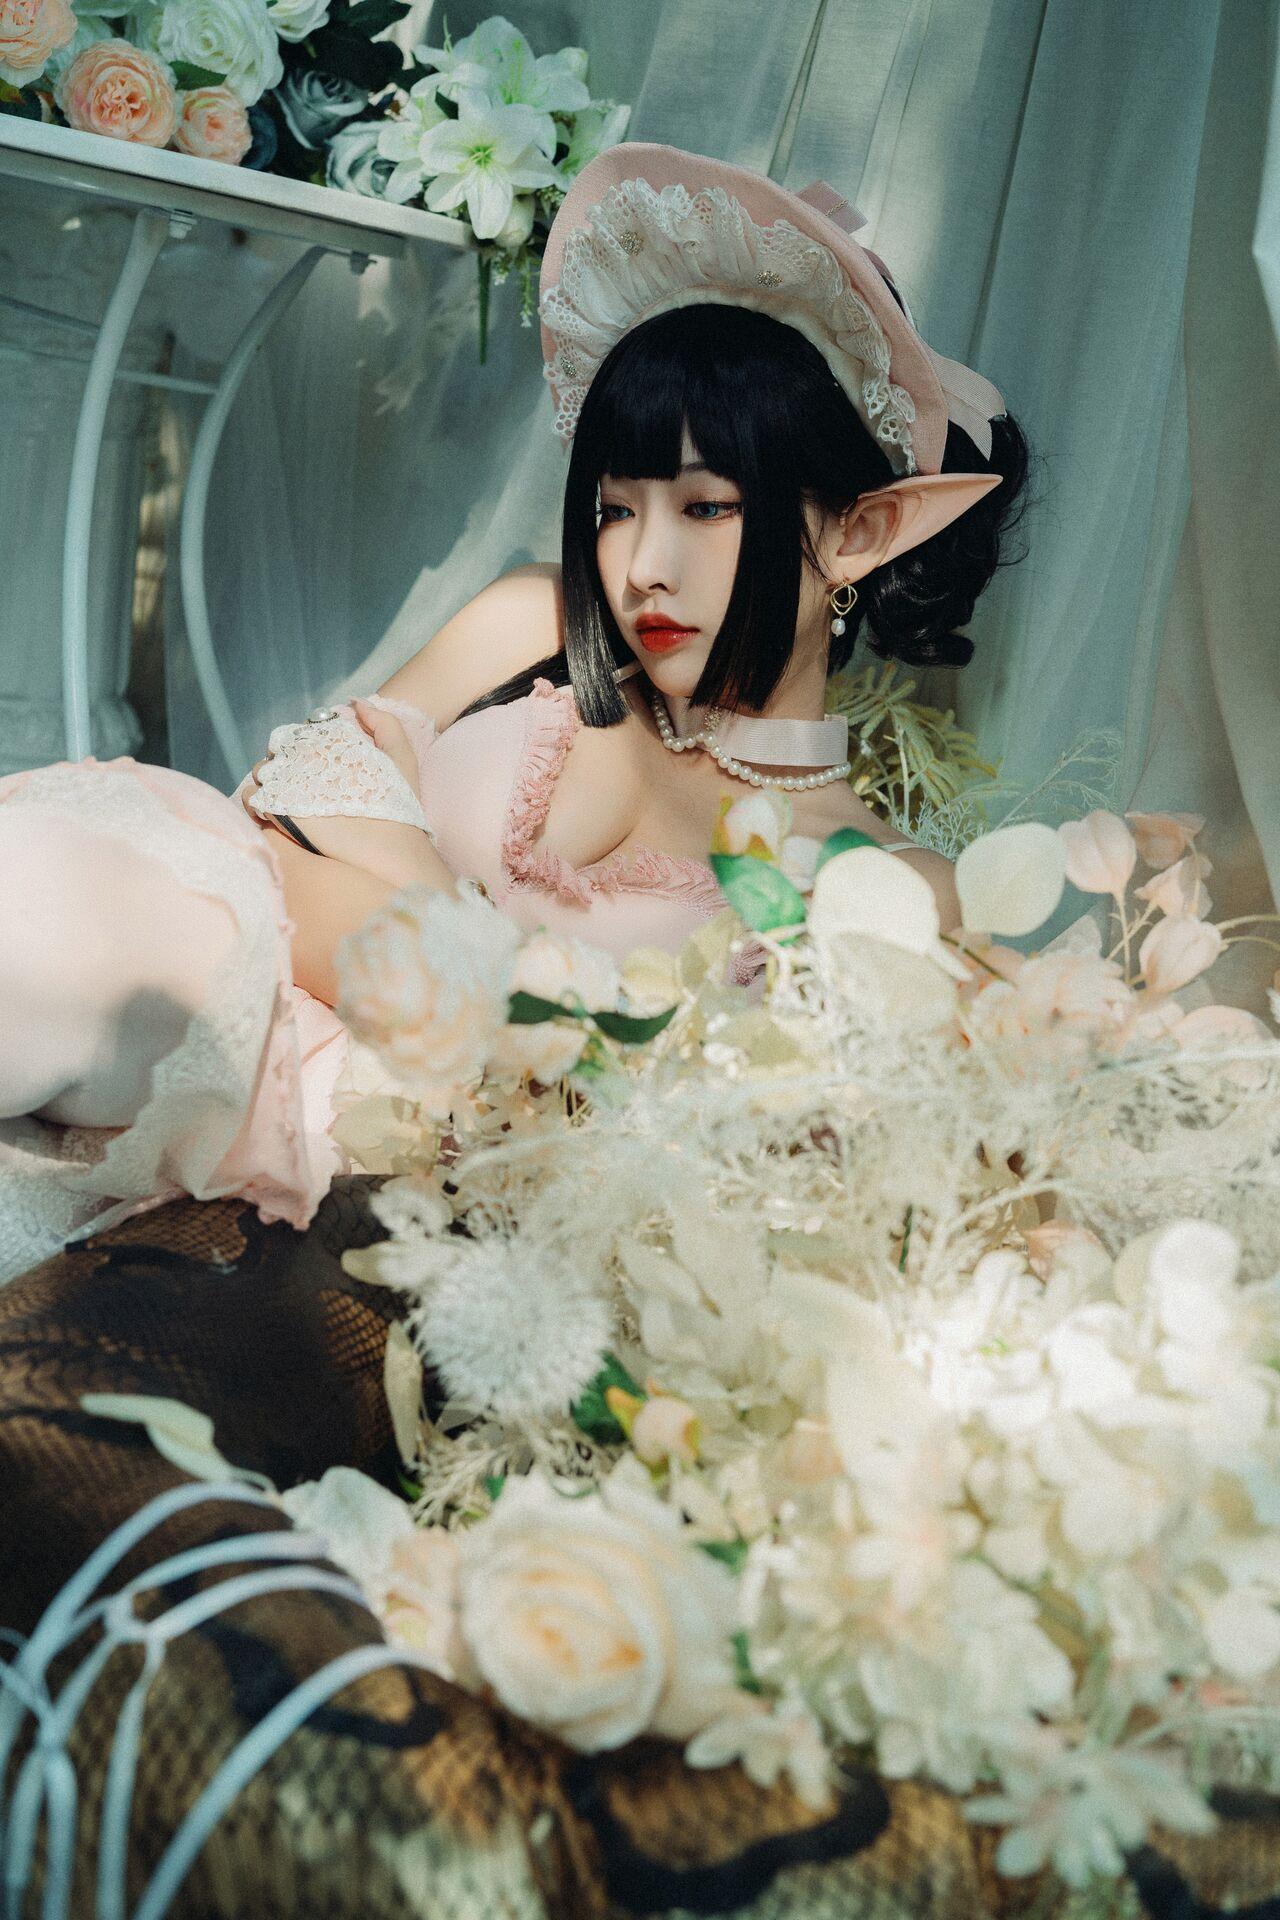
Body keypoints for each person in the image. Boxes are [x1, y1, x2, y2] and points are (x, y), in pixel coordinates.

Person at [0, 144, 1029, 1282]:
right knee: (45, 896)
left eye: (706, 507)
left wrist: (455, 969)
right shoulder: (538, 618)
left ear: (858, 532)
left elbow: (678, 1144)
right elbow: (283, 803)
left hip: (377, 1183)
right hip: (206, 959)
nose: (642, 566)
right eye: (615, 508)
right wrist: (470, 949)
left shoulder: (880, 877)